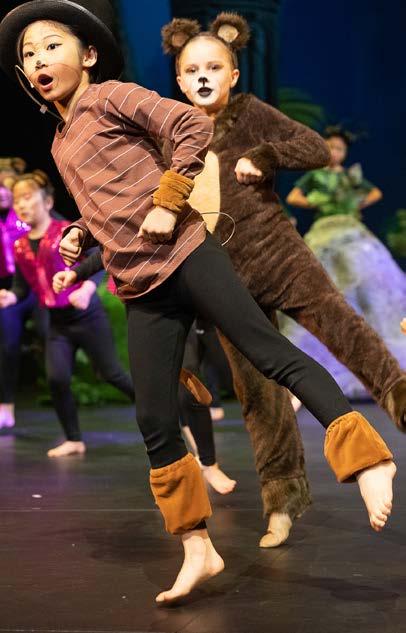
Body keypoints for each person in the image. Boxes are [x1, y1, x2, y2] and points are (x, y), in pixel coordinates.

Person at [0, 1, 396, 604]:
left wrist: (169, 200)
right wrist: (80, 232)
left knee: (267, 352)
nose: (38, 60)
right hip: (141, 284)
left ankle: (369, 460)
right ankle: (198, 547)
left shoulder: (111, 96)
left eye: (51, 46)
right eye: (28, 55)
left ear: (89, 54)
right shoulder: (59, 141)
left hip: (187, 253)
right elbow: (111, 196)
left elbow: (191, 127)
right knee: (154, 417)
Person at [161, 13, 406, 547]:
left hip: (279, 256)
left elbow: (315, 148)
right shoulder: (174, 132)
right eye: (192, 70)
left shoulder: (249, 113)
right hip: (224, 279)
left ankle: (399, 401)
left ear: (233, 74)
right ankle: (282, 501)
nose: (203, 77)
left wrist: (265, 156)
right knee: (258, 394)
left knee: (343, 327)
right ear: (179, 79)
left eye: (214, 67)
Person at [0, 169, 134, 456]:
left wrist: (87, 291)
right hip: (57, 322)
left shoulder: (67, 232)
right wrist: (10, 296)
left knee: (112, 374)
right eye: (17, 201)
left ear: (47, 202)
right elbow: (22, 287)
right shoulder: (20, 245)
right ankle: (73, 439)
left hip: (87, 317)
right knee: (57, 379)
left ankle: (165, 414)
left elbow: (98, 261)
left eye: (28, 198)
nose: (21, 205)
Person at [285, 127, 406, 398]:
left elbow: (375, 193)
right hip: (325, 229)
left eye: (339, 149)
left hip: (352, 229)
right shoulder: (316, 175)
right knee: (323, 282)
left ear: (345, 152)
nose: (335, 153)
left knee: (370, 283)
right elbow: (293, 196)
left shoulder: (351, 176)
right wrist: (317, 201)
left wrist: (354, 203)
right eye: (331, 147)